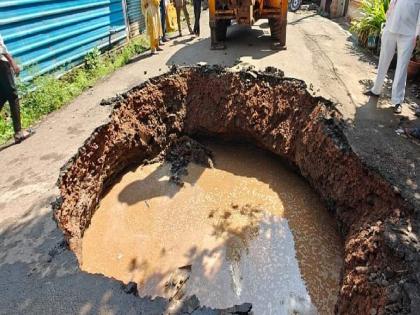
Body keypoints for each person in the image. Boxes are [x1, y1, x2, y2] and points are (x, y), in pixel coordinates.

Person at [365, 0, 420, 114]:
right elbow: (392, 5)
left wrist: (416, 35)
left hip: (408, 35)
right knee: (383, 60)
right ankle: (376, 90)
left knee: (402, 67)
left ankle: (397, 101)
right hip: (390, 29)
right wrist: (386, 23)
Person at [0, 34, 32, 143]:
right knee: (13, 96)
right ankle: (18, 133)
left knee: (3, 96)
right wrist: (12, 61)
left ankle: (18, 132)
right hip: (1, 64)